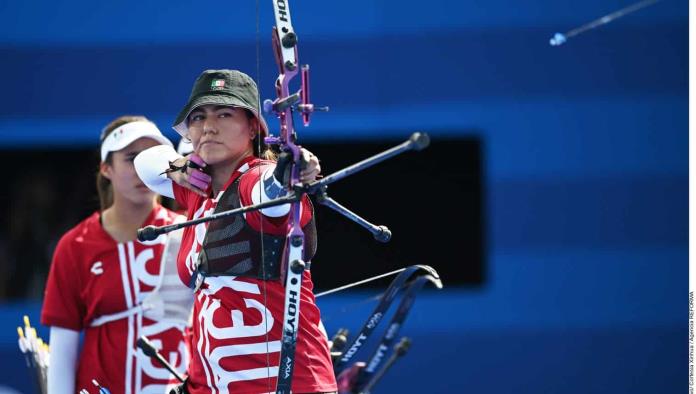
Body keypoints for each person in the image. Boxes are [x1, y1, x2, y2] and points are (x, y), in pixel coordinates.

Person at [134, 69, 337, 394]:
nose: (208, 127)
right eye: (198, 117)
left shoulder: (254, 181)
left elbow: (270, 194)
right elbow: (145, 164)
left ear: (254, 126)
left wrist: (289, 173)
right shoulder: (197, 189)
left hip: (284, 384)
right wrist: (179, 167)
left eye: (225, 114)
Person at [41, 116, 193, 393]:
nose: (142, 168)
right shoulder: (75, 245)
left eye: (151, 157)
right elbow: (62, 348)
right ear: (106, 168)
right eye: (131, 157)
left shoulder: (189, 231)